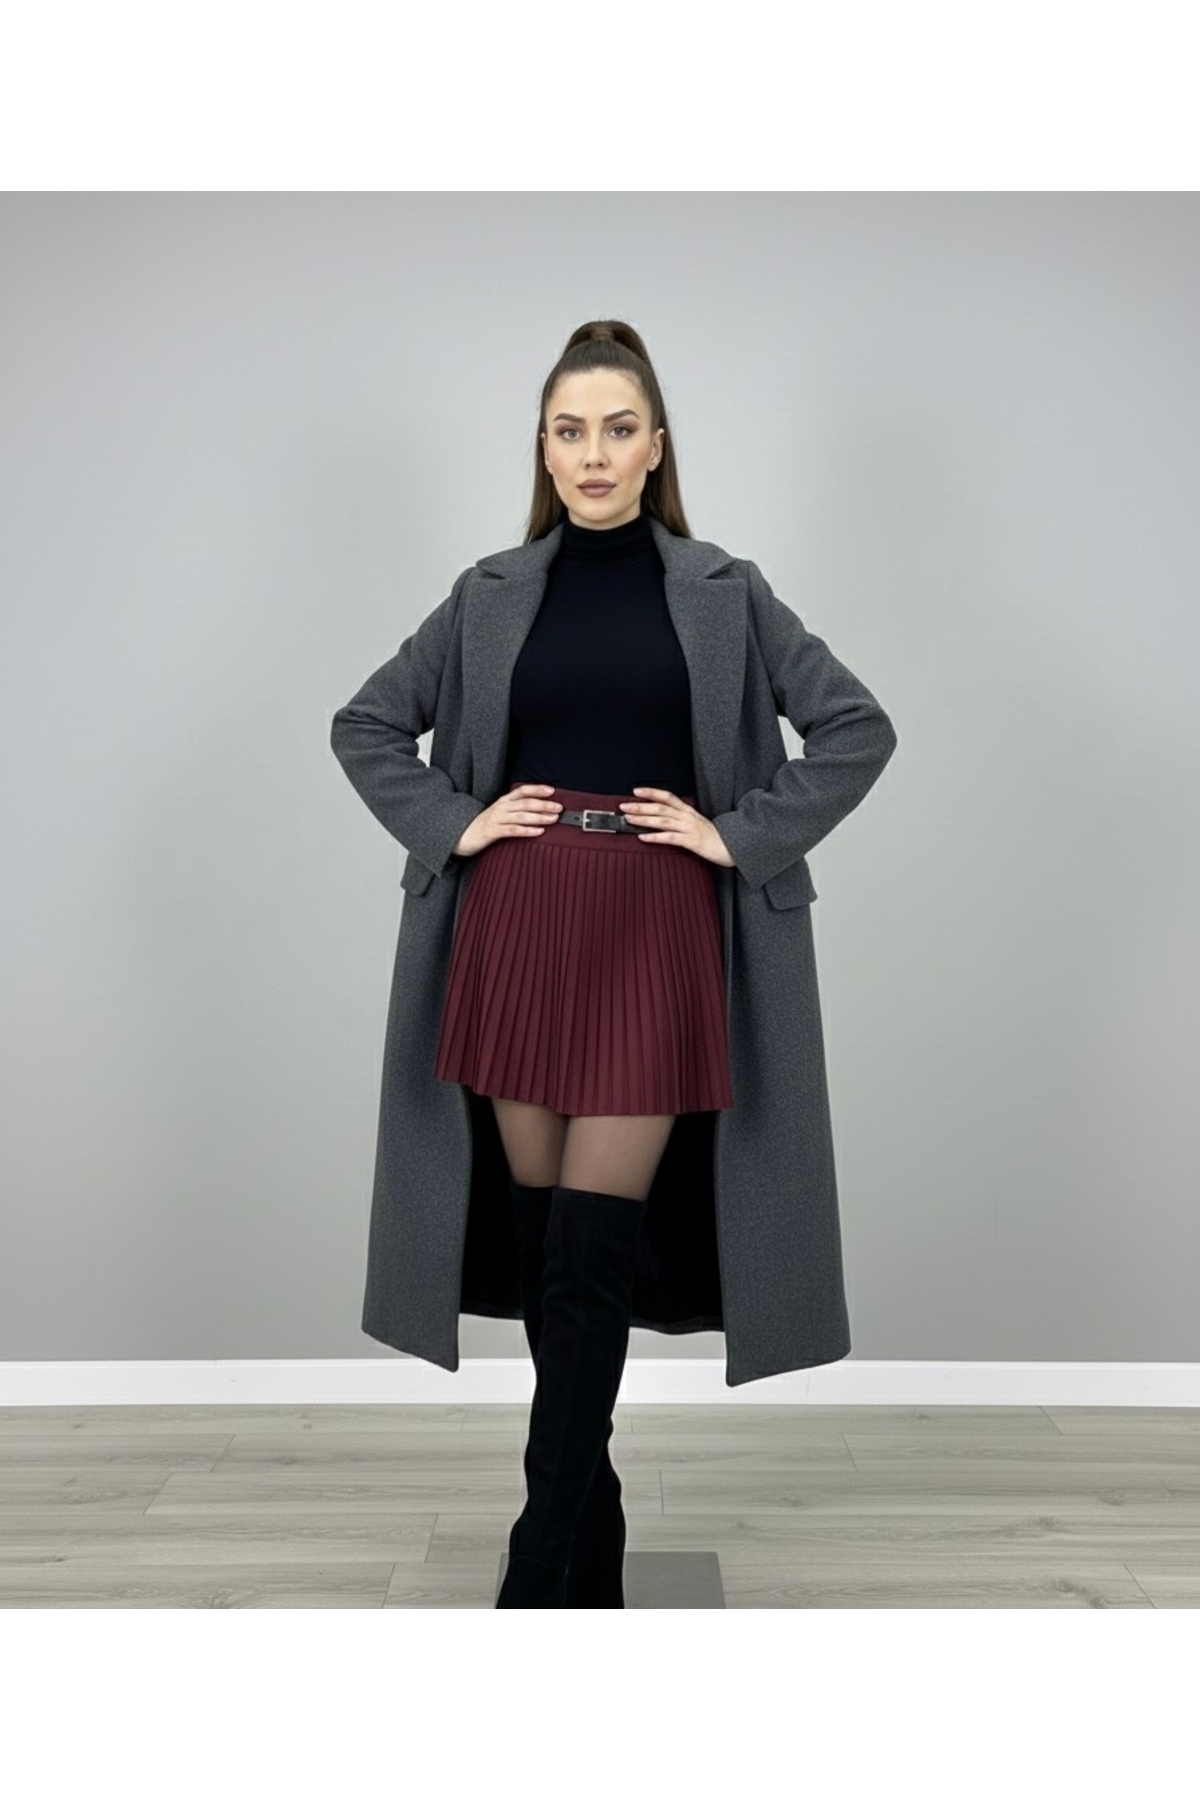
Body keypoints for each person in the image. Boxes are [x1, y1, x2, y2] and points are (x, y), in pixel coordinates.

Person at [330, 318, 898, 1608]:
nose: (594, 454)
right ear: (544, 449)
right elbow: (366, 724)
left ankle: (541, 1560)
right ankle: (591, 1516)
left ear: (656, 447)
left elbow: (856, 726)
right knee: (548, 1247)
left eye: (618, 429)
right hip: (516, 924)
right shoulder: (486, 594)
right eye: (570, 430)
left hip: (658, 929)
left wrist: (737, 835)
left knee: (593, 1247)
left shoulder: (725, 591)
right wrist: (456, 821)